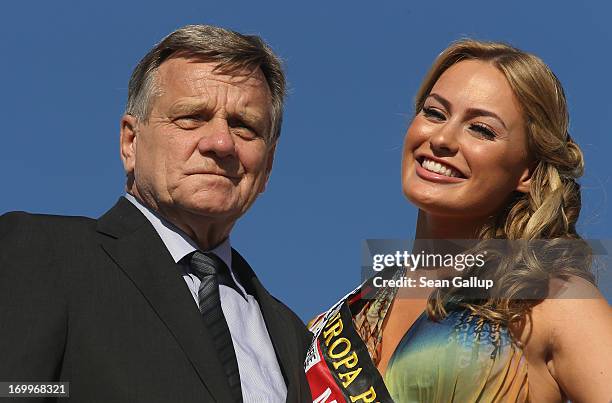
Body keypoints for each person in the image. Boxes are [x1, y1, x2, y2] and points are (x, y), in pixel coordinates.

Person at [0, 25, 312, 402]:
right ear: (130, 142)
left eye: (244, 127)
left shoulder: (296, 338)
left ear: (269, 165)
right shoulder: (44, 254)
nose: (221, 143)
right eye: (191, 117)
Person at [305, 40, 612, 403]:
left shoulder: (549, 301)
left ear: (527, 171)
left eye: (481, 129)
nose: (442, 139)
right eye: (434, 113)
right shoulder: (331, 326)